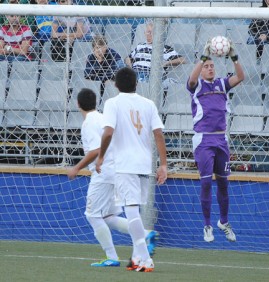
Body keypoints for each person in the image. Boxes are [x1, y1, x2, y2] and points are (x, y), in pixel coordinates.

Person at [67, 88, 159, 268]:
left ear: (78, 104)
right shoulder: (102, 117)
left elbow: (95, 150)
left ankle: (111, 257)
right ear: (95, 102)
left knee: (92, 215)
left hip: (103, 174)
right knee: (108, 216)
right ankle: (146, 234)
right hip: (117, 170)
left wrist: (76, 168)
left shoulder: (88, 123)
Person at [95, 67, 168, 273]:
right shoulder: (148, 104)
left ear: (116, 85)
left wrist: (101, 155)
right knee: (134, 209)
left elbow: (108, 132)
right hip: (144, 164)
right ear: (136, 84)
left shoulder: (112, 103)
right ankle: (137, 257)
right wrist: (163, 164)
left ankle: (145, 258)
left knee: (131, 210)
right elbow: (159, 135)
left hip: (125, 165)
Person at [186, 40, 244, 243]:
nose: (210, 68)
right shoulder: (196, 85)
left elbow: (240, 77)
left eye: (212, 66)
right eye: (206, 66)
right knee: (205, 184)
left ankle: (224, 222)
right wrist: (202, 57)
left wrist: (234, 57)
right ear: (201, 69)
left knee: (223, 183)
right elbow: (192, 78)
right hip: (203, 140)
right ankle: (207, 225)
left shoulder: (222, 83)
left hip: (222, 139)